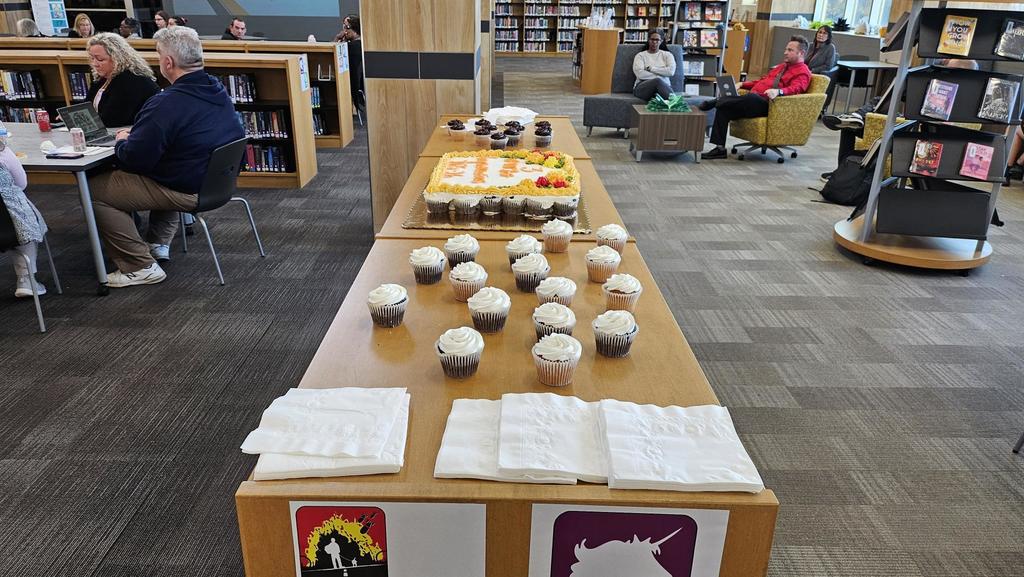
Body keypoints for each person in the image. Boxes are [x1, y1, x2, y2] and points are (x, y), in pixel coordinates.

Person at [89, 26, 245, 288]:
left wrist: (122, 141)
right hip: (215, 182)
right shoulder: (216, 90)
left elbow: (135, 159)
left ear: (168, 62)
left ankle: (139, 266)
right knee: (164, 164)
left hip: (186, 187)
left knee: (94, 191)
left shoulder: (167, 103)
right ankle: (157, 243)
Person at [820, 58, 979, 181]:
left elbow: (943, 123)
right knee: (855, 123)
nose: (944, 72)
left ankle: (857, 116)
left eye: (948, 69)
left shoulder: (963, 97)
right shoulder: (939, 86)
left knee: (875, 105)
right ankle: (842, 171)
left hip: (912, 130)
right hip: (904, 121)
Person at [699, 35, 812, 159]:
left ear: (801, 53)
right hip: (754, 102)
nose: (785, 53)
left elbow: (796, 88)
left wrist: (778, 91)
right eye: (786, 49)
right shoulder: (782, 67)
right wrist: (742, 84)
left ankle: (716, 101)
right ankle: (719, 148)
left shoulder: (803, 71)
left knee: (751, 98)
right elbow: (761, 82)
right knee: (724, 108)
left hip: (772, 106)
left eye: (790, 50)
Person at [0, 138, 48, 297]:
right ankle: (25, 279)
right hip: (11, 225)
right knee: (24, 220)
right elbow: (21, 183)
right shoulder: (4, 153)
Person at [85, 33, 160, 127]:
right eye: (92, 58)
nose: (94, 64)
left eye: (100, 59)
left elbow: (112, 119)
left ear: (118, 59)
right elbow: (86, 107)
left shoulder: (131, 80)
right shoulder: (102, 77)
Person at [632, 29, 675, 101]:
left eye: (657, 40)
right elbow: (640, 74)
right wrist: (662, 74)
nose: (654, 42)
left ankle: (673, 104)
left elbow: (671, 72)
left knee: (658, 82)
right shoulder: (640, 56)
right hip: (642, 87)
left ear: (661, 41)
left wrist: (651, 69)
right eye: (652, 39)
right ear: (648, 40)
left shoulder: (667, 55)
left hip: (664, 87)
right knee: (657, 81)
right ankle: (675, 103)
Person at [807, 26, 838, 110]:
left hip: (816, 74)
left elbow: (828, 66)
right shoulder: (810, 45)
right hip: (805, 72)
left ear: (828, 36)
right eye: (819, 32)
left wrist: (812, 71)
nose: (821, 35)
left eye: (824, 33)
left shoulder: (830, 47)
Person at [344, 16, 364, 112]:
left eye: (346, 27)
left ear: (355, 30)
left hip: (352, 85)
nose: (344, 31)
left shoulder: (352, 46)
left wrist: (337, 38)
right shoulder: (361, 44)